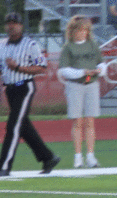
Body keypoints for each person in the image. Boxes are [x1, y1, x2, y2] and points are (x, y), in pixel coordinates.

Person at [0, 12, 60, 177]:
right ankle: (48, 157)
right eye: (8, 23)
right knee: (23, 126)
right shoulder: (1, 45)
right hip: (10, 88)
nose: (11, 26)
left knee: (13, 126)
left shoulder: (30, 44)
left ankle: (4, 166)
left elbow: (42, 67)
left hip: (25, 87)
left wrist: (18, 68)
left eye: (15, 23)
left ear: (21, 26)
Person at [58, 15, 105, 168]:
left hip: (91, 85)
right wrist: (82, 72)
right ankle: (78, 157)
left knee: (90, 121)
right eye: (79, 30)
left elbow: (101, 63)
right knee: (77, 121)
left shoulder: (92, 44)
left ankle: (91, 156)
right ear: (72, 31)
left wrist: (99, 70)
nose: (82, 33)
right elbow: (64, 70)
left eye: (85, 30)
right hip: (75, 86)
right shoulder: (68, 47)